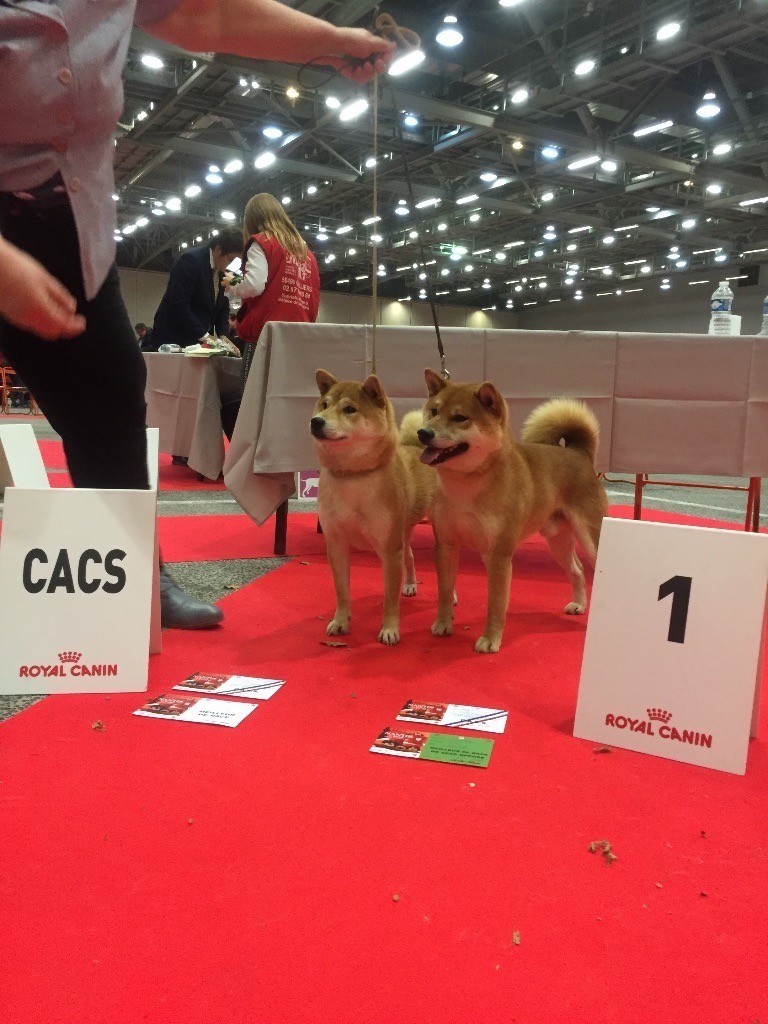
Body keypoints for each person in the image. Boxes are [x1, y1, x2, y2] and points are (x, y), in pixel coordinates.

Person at [0, 0, 393, 629]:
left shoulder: (255, 251)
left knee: (113, 392)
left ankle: (130, 576)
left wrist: (327, 39)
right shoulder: (285, 252)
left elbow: (203, 12)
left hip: (73, 224)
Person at [223, 193, 321, 385]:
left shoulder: (262, 241)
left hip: (265, 335)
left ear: (251, 219)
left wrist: (233, 284)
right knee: (285, 394)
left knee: (252, 395)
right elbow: (313, 297)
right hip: (299, 335)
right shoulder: (306, 253)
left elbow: (254, 284)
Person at [150, 230, 243, 350]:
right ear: (218, 249)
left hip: (196, 342)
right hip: (173, 338)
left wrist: (224, 336)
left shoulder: (222, 271)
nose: (230, 265)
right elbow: (178, 304)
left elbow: (222, 308)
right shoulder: (190, 260)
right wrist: (206, 337)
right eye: (230, 259)